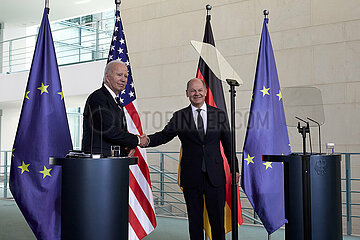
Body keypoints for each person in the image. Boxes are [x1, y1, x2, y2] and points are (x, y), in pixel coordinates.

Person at [141, 78, 239, 240]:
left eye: (200, 90)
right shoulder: (180, 116)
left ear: (206, 92)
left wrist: (234, 168)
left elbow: (229, 145)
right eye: (193, 91)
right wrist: (147, 140)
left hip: (215, 176)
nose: (197, 93)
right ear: (187, 93)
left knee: (217, 221)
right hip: (192, 177)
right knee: (195, 222)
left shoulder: (219, 115)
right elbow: (164, 136)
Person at [82, 60, 147, 157]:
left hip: (113, 161)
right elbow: (109, 130)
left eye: (125, 76)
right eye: (119, 75)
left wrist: (126, 145)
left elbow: (117, 131)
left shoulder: (116, 101)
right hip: (98, 162)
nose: (123, 79)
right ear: (107, 77)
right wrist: (137, 140)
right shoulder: (98, 97)